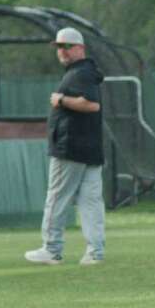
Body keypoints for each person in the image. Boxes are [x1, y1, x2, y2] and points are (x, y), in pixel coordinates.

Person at [25, 27, 106, 266]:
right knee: (90, 201)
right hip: (89, 147)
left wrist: (61, 100)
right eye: (59, 47)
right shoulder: (83, 71)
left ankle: (51, 248)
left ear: (79, 48)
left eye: (67, 46)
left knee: (57, 197)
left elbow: (91, 105)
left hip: (71, 147)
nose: (62, 51)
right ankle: (95, 252)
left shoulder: (80, 72)